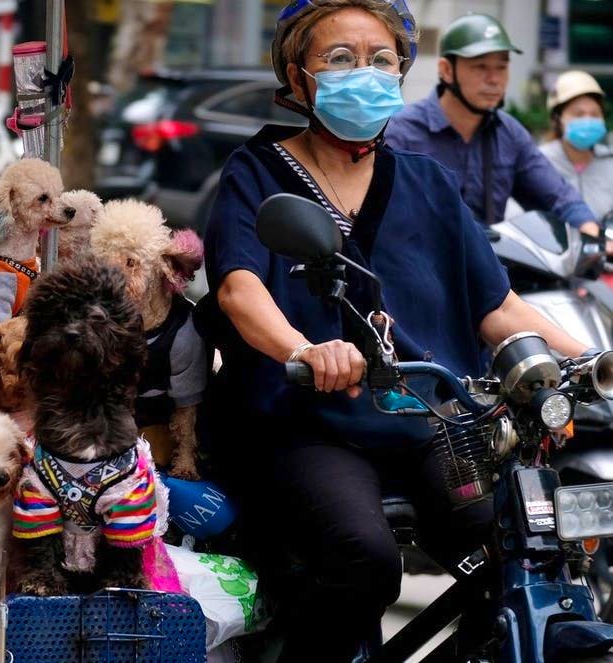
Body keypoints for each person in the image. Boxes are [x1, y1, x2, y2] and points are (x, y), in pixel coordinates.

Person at [201, 1, 590, 660]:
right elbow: (241, 288)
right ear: (297, 79)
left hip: (430, 419)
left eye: (381, 60)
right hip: (308, 422)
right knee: (365, 557)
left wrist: (591, 359)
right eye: (341, 59)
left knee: (518, 543)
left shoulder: (427, 183)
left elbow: (497, 307)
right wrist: (302, 348)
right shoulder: (258, 173)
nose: (366, 73)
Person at [384, 13, 600, 235]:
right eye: (481, 67)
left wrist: (591, 231)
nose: (494, 79)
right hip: (420, 264)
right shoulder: (401, 132)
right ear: (447, 71)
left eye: (501, 67)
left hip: (492, 265)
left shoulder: (510, 133)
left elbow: (557, 195)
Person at [539, 71, 612, 222]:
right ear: (557, 119)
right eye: (578, 114)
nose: (587, 120)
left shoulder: (609, 161)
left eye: (595, 114)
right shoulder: (539, 162)